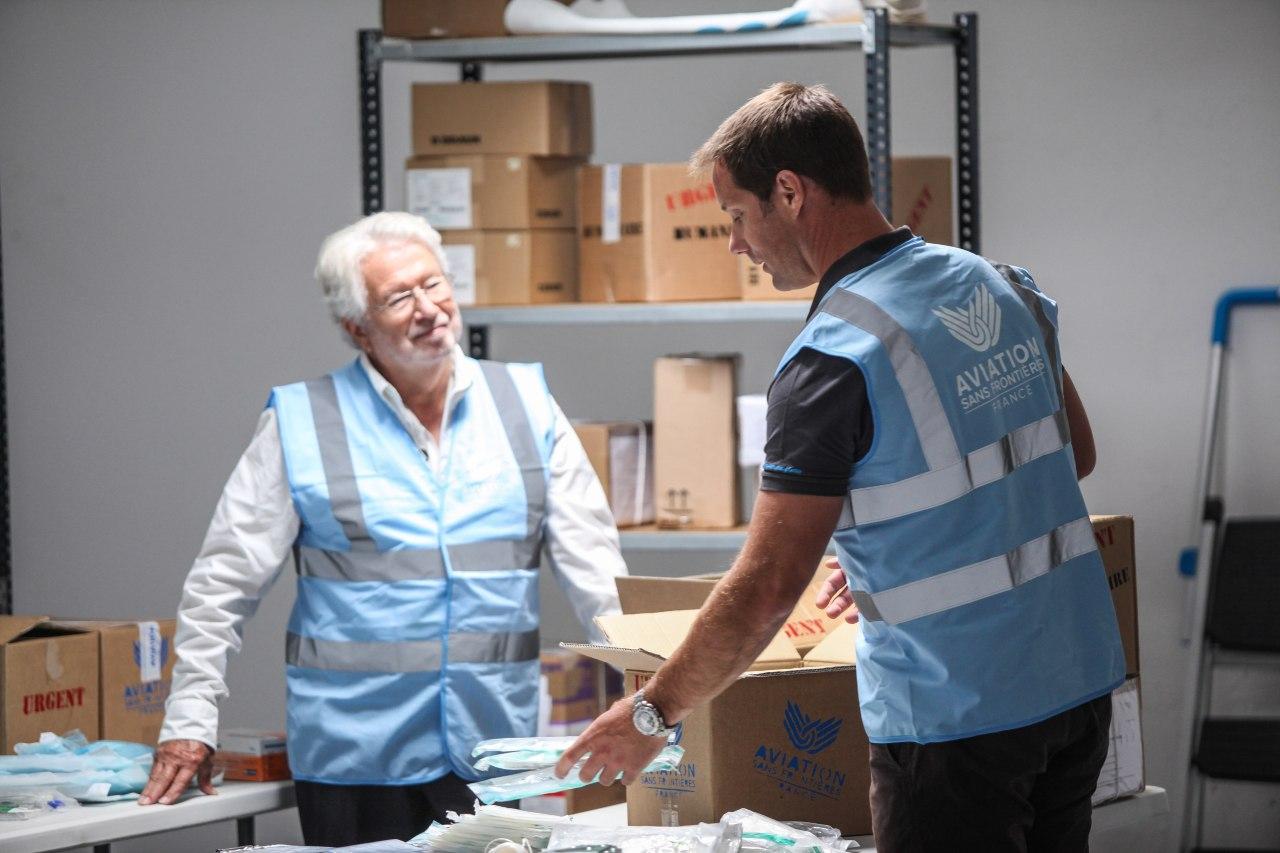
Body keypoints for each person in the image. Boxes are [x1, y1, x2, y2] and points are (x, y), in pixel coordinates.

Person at [556, 82, 1125, 851]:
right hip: (1078, 684)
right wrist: (887, 549)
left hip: (956, 721)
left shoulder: (832, 359)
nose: (735, 243)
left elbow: (764, 590)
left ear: (789, 192)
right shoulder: (998, 283)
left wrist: (653, 712)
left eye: (734, 214)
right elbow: (1069, 456)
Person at [139, 212, 628, 846]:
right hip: (355, 764)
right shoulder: (303, 421)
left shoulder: (526, 405)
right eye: (399, 297)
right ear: (356, 328)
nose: (429, 309)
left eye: (434, 284)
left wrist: (651, 699)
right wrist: (189, 720)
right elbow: (221, 584)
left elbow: (598, 573)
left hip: (494, 758)